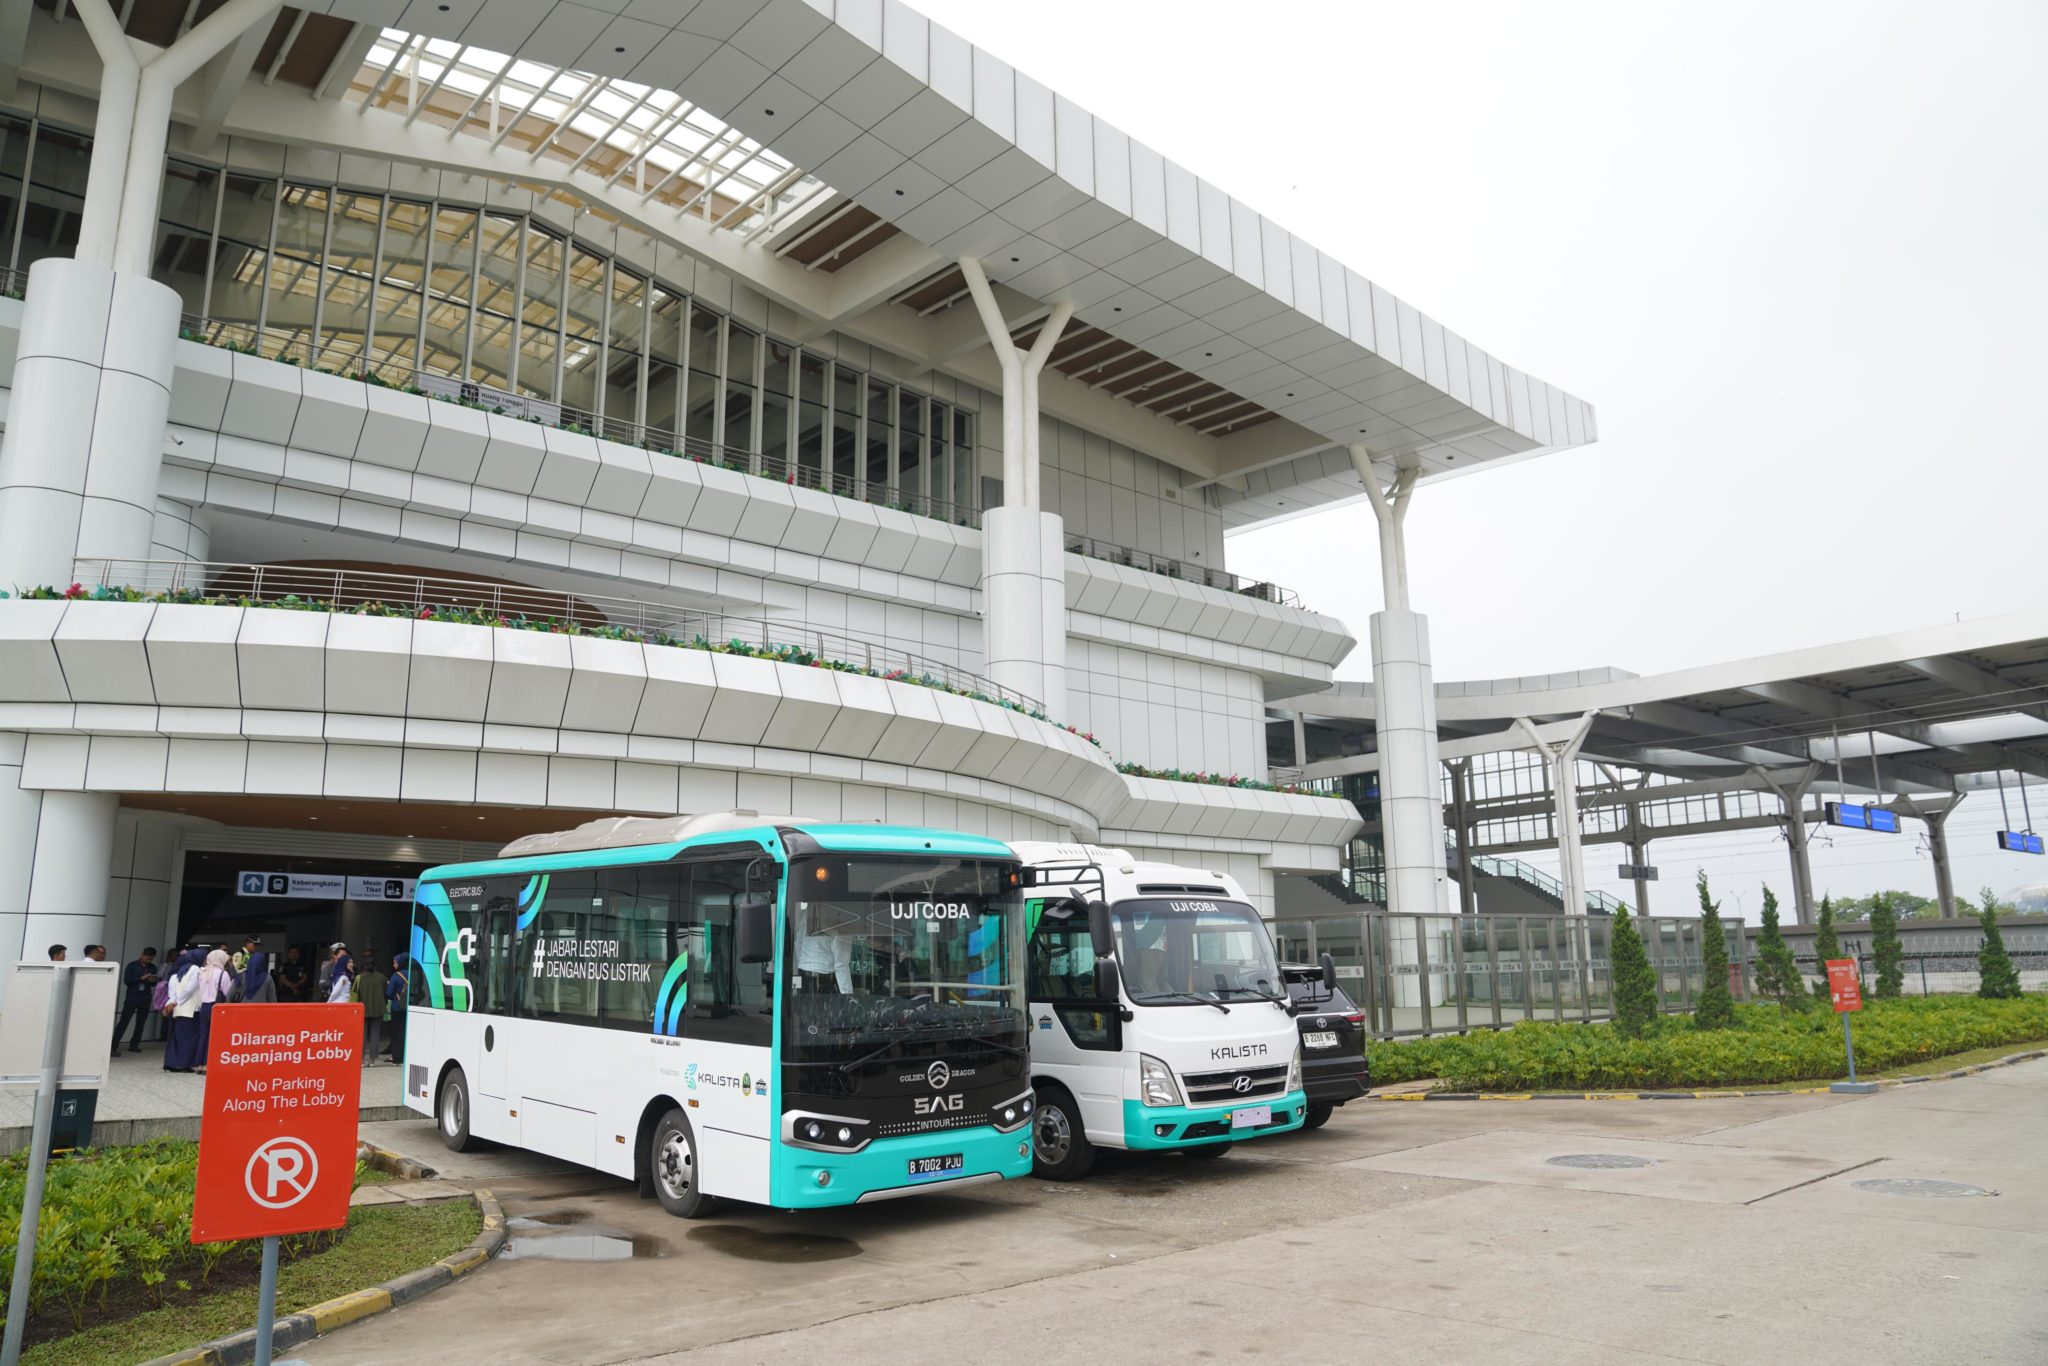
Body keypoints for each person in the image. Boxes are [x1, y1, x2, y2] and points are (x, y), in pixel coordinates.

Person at [162, 950, 208, 1072]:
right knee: (189, 1039)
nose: (205, 960)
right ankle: (183, 1064)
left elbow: (172, 993)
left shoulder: (177, 973)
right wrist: (179, 1000)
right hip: (191, 1010)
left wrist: (174, 1002)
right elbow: (190, 989)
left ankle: (174, 1063)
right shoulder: (196, 970)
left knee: (179, 1039)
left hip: (179, 1010)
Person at [113, 947, 159, 1054]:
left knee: (141, 1023)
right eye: (147, 958)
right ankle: (113, 1046)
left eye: (150, 959)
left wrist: (152, 980)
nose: (148, 961)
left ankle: (134, 1045)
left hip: (145, 997)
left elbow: (154, 983)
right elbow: (127, 981)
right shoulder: (132, 965)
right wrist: (141, 979)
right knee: (124, 1021)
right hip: (132, 997)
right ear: (142, 954)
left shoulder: (152, 967)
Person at [355, 956, 388, 1062]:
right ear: (376, 966)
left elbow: (355, 994)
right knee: (375, 1033)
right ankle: (372, 1060)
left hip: (363, 1009)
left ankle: (361, 1059)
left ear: (364, 965)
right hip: (378, 1008)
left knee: (362, 1034)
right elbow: (385, 992)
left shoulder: (360, 977)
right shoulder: (382, 977)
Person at [386, 954, 409, 1065]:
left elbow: (389, 994)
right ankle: (406, 1056)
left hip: (397, 1007)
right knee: (406, 1032)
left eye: (395, 963)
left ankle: (397, 1057)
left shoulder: (395, 976)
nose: (394, 965)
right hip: (410, 1008)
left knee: (397, 1034)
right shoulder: (414, 974)